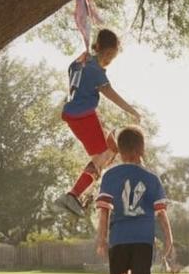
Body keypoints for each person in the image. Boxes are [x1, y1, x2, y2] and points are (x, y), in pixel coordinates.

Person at [95, 126, 173, 274]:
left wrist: (101, 238)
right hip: (142, 240)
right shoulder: (151, 178)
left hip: (119, 239)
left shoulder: (110, 176)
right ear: (142, 149)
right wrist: (169, 238)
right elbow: (161, 213)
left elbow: (104, 211)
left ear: (118, 151)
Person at [55, 29, 142, 217]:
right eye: (108, 54)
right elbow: (109, 92)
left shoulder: (80, 62)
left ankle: (85, 191)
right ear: (100, 48)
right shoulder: (94, 70)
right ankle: (73, 195)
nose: (110, 59)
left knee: (112, 146)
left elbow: (74, 73)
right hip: (84, 115)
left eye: (113, 56)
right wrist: (131, 110)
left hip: (77, 114)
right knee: (104, 154)